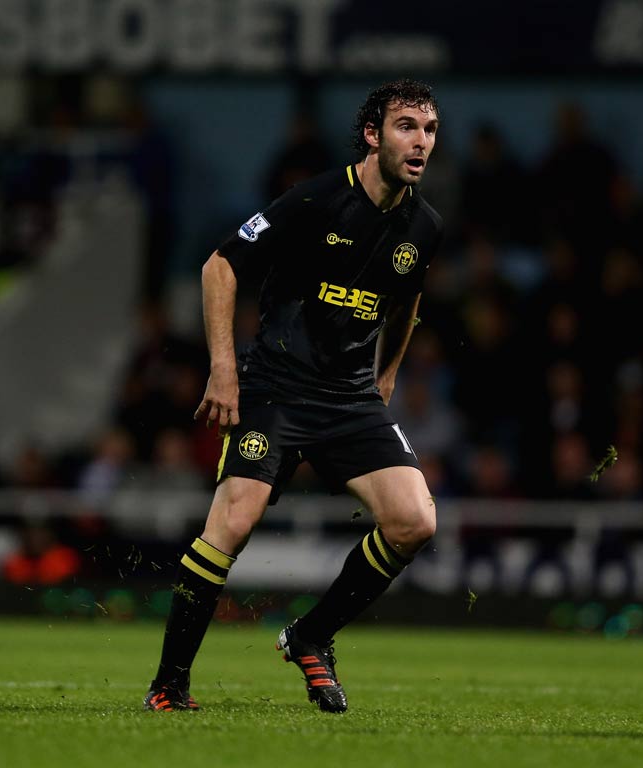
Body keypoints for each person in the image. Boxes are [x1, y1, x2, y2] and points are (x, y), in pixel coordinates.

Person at [144, 79, 443, 714]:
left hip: (350, 400)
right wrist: (224, 371)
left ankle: (311, 636)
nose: (421, 142)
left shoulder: (424, 225)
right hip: (276, 389)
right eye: (406, 126)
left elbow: (409, 297)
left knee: (416, 521)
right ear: (372, 135)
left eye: (429, 129)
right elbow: (219, 267)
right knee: (235, 521)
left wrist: (386, 375)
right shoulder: (314, 199)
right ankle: (169, 686)